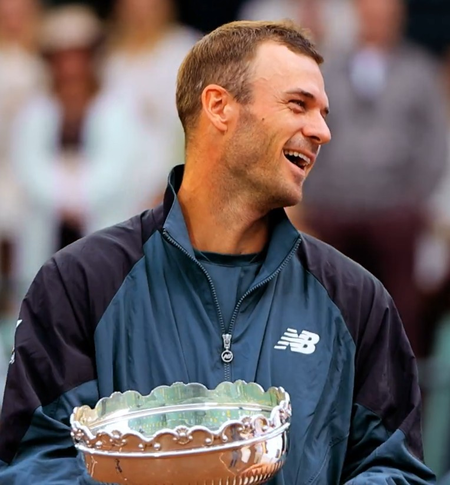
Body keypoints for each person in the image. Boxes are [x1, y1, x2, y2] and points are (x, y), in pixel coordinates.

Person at [0, 20, 435, 484]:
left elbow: (395, 469)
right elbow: (33, 463)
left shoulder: (357, 299)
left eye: (323, 113)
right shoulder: (78, 282)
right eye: (298, 105)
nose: (322, 131)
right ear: (219, 106)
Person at [299, 0, 448, 358]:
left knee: (400, 303)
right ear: (356, 13)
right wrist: (314, 195)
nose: (378, 18)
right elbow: (308, 132)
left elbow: (435, 142)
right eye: (370, 10)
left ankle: (403, 383)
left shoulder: (420, 72)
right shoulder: (328, 71)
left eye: (386, 11)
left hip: (396, 209)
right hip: (332, 208)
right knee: (327, 301)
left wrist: (413, 197)